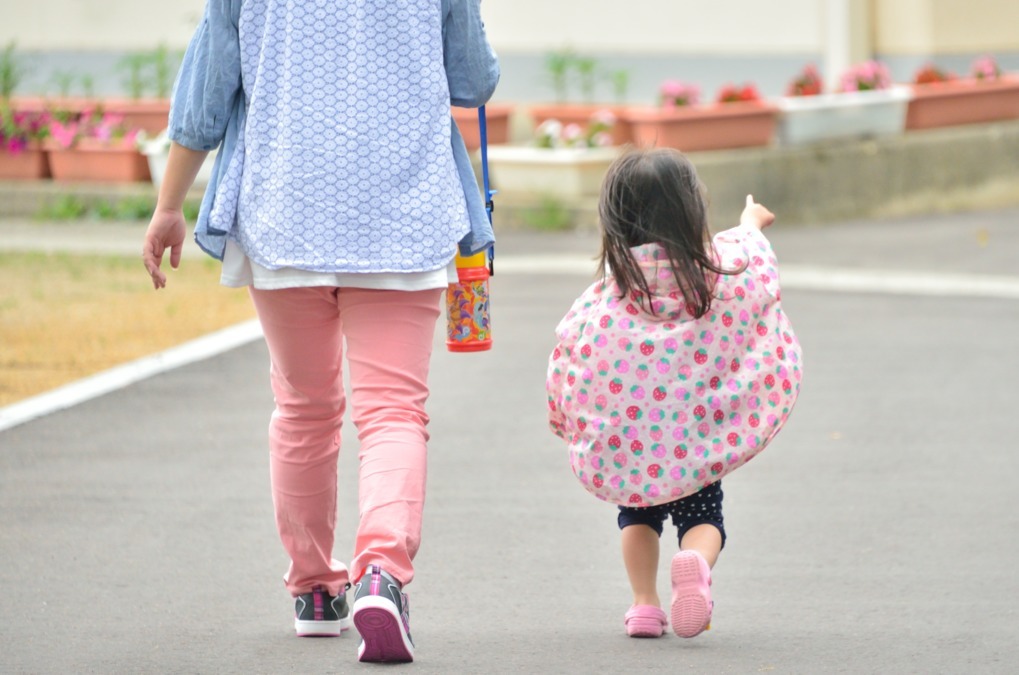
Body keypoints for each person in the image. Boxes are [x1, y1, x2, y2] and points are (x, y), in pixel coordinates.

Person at [141, 0, 499, 663]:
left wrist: (169, 206)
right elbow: (472, 80)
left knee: (304, 409)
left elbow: (207, 87)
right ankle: (381, 572)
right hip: (402, 209)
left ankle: (312, 587)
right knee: (392, 410)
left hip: (285, 208)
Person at [546, 148, 802, 639]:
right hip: (694, 440)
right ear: (691, 211)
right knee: (704, 516)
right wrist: (750, 222)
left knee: (635, 518)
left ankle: (644, 606)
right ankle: (696, 565)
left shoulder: (605, 295)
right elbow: (755, 268)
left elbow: (568, 352)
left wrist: (565, 417)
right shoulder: (715, 275)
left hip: (631, 441)